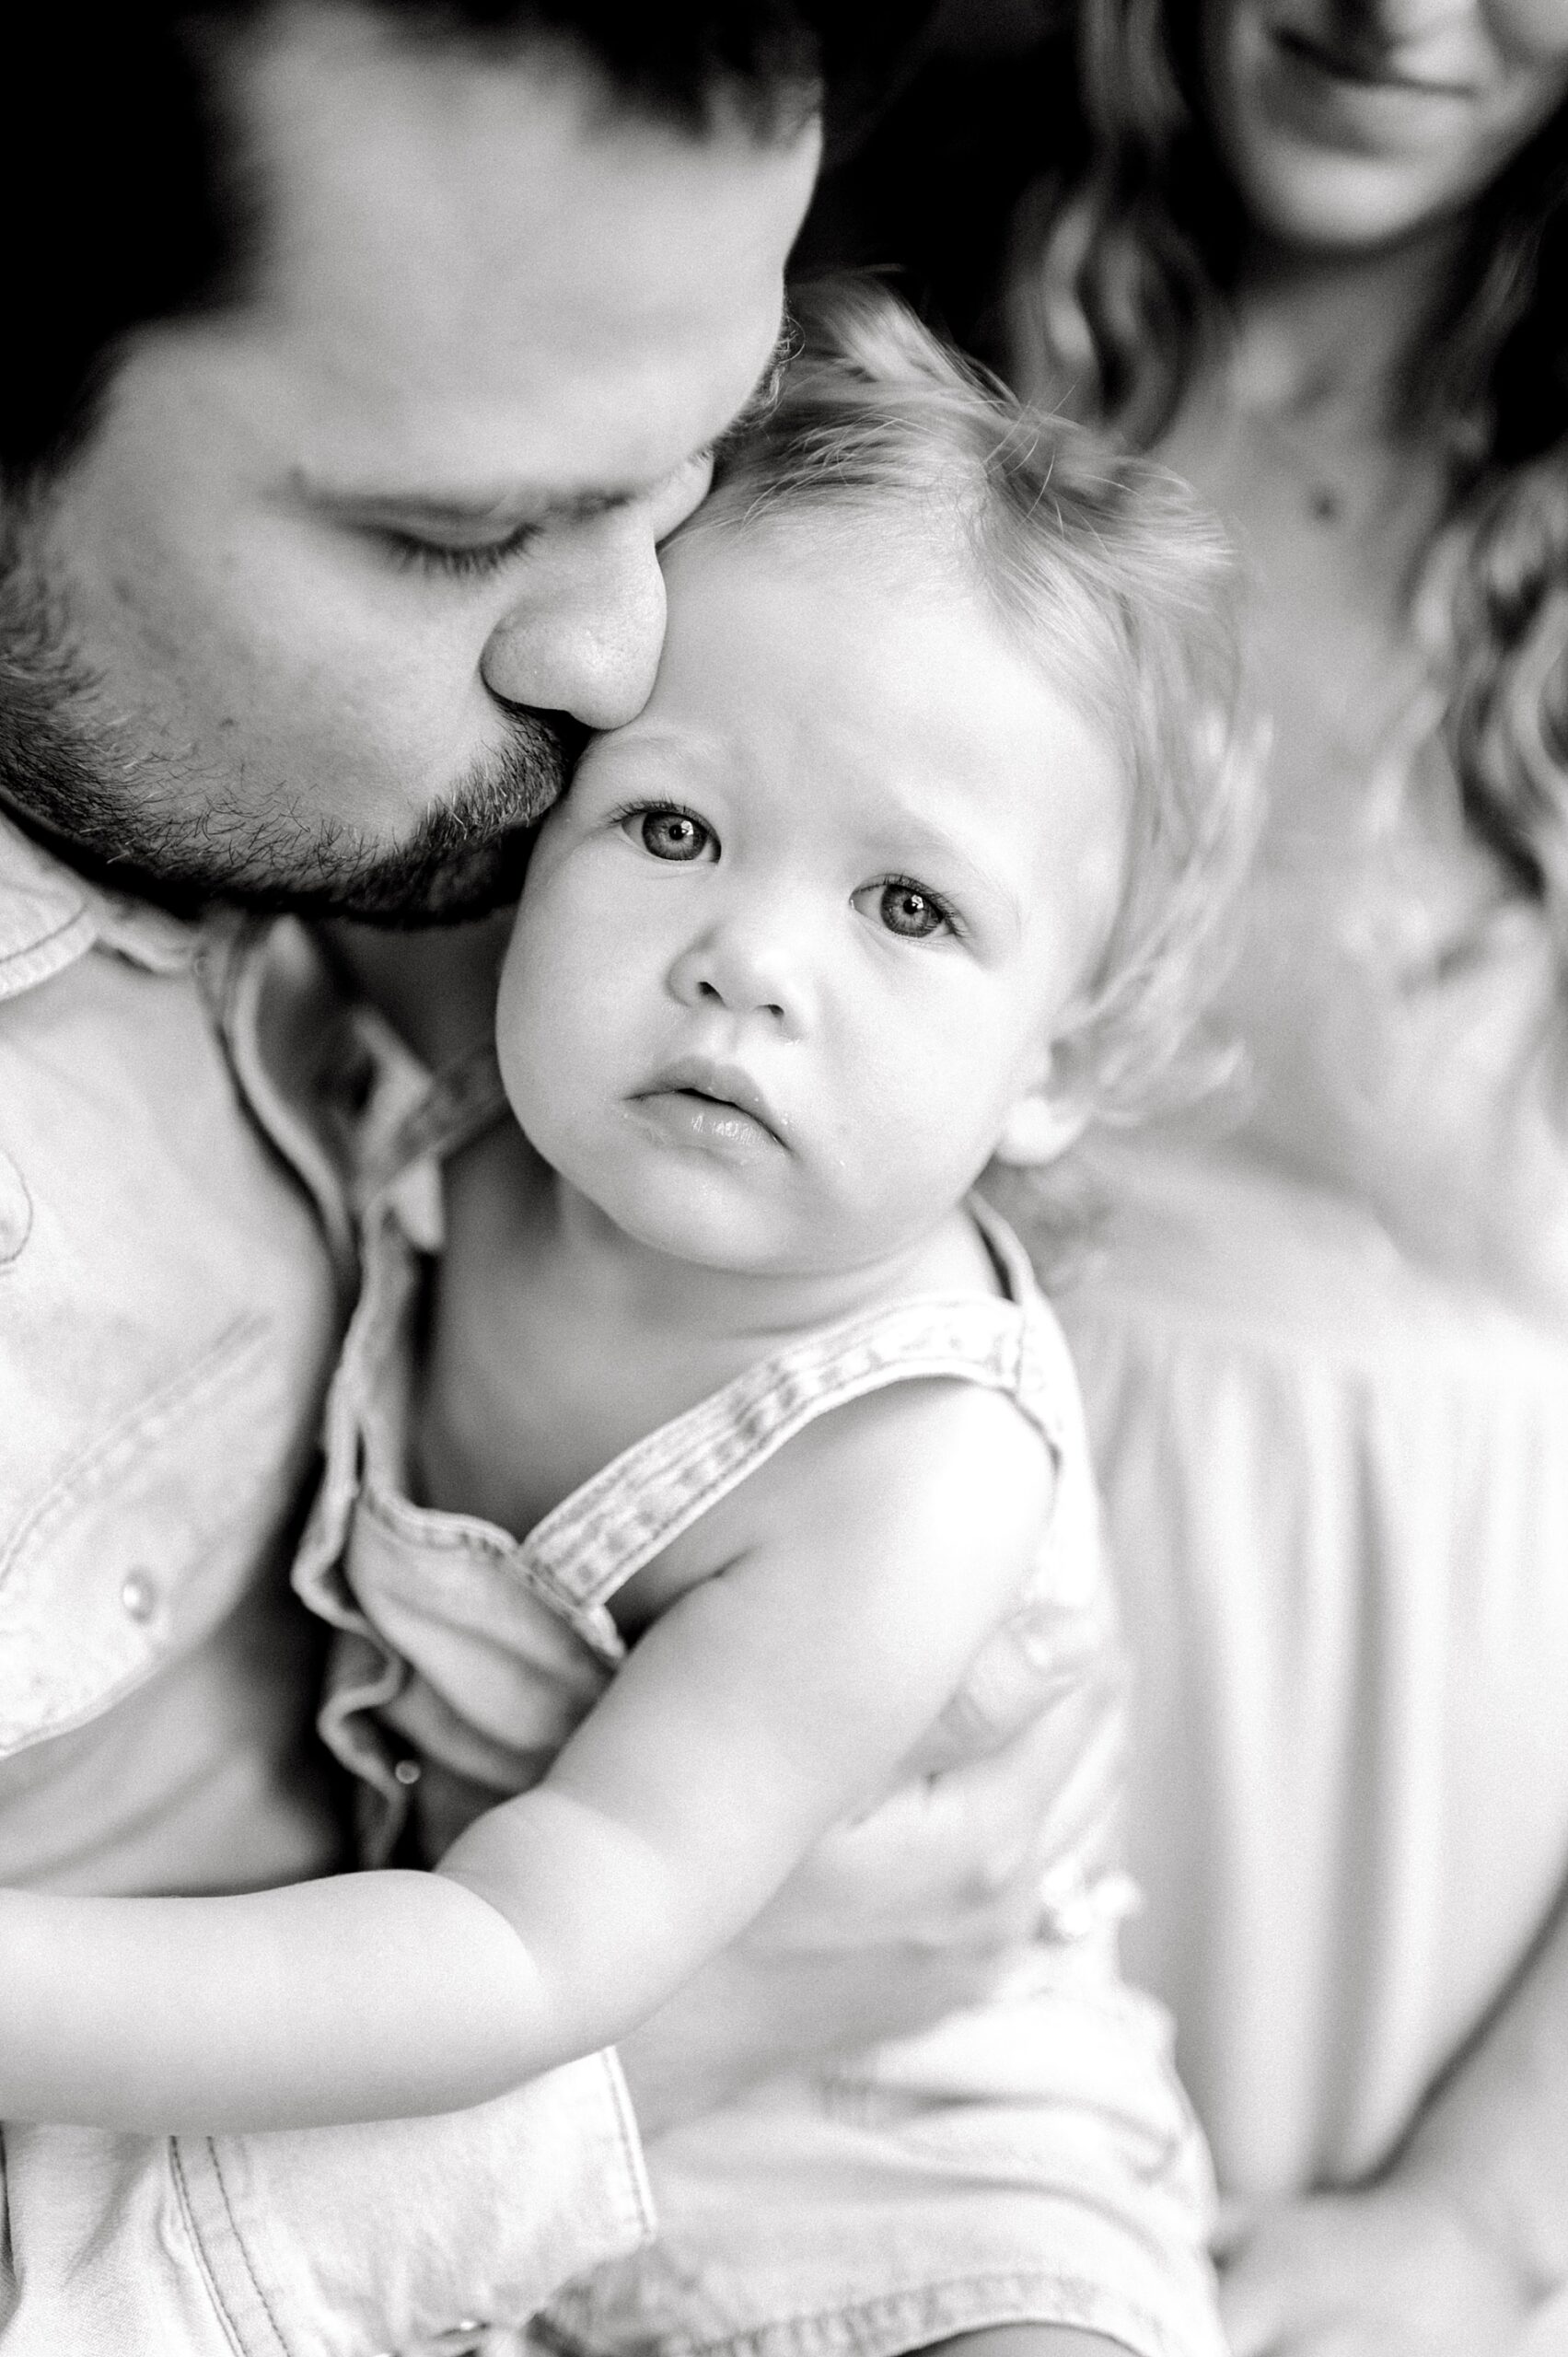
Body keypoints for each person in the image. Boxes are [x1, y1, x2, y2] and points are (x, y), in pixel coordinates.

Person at [0, 9, 1109, 2351]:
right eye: (458, 530)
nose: (621, 659)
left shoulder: (392, 885)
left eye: (678, 480)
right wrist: (651, 2058)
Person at [971, 2, 1568, 2351]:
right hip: (882, 1689)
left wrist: (1488, 2208)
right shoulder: (922, 371)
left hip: (1407, 1856)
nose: (1401, 7)